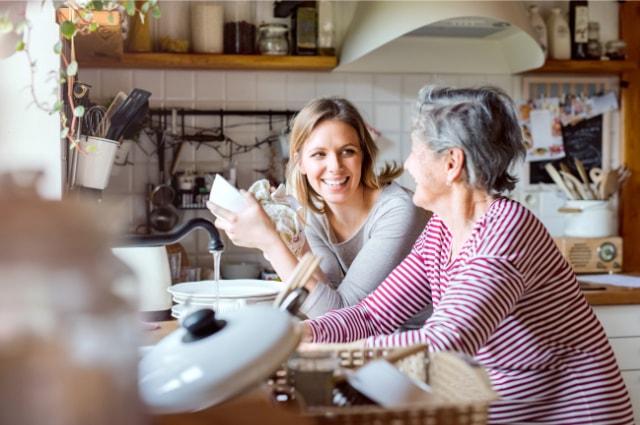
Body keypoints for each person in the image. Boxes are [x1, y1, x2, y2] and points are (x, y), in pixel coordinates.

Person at [302, 86, 634, 423]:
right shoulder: (441, 230)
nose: (406, 164)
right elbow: (372, 316)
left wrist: (328, 357)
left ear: (451, 163)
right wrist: (304, 335)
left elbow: (446, 341)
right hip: (504, 405)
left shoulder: (506, 229)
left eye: (416, 152)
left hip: (572, 413)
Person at [208, 97, 431, 325]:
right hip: (369, 340)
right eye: (319, 154)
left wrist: (270, 242)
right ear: (300, 162)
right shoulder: (313, 213)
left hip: (420, 343)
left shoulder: (397, 210)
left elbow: (341, 315)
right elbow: (325, 296)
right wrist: (286, 235)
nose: (335, 166)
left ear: (363, 157)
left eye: (348, 151)